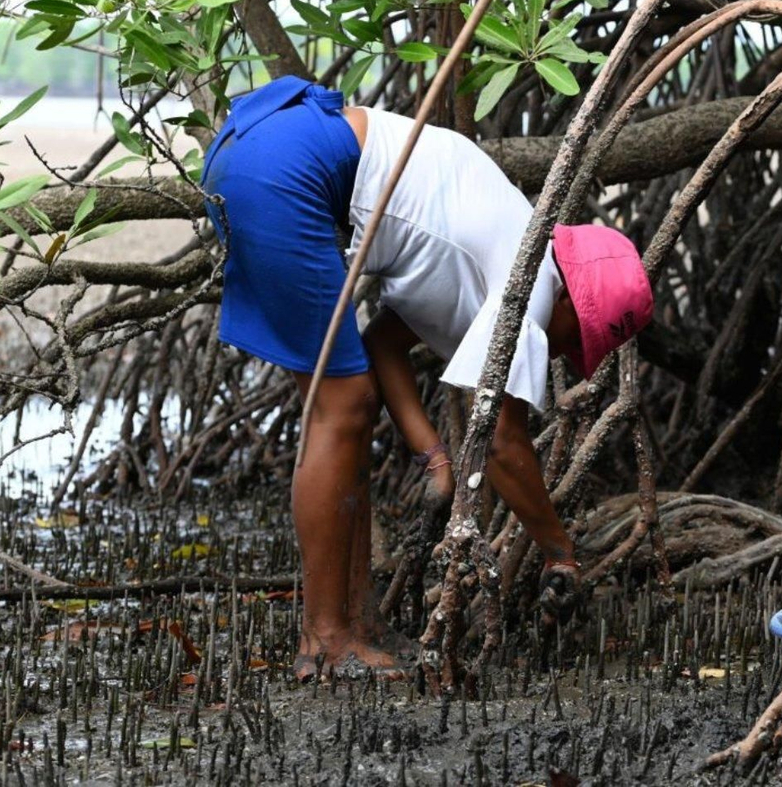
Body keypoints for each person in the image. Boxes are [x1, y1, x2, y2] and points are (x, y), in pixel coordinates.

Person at [199, 75, 653, 681]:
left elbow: (384, 343)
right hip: (286, 169)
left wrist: (432, 456)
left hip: (257, 146)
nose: (569, 355)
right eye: (581, 339)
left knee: (350, 404)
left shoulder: (506, 242)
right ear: (573, 300)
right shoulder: (530, 288)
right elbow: (501, 442)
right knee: (341, 410)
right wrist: (558, 551)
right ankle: (326, 640)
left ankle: (356, 624)